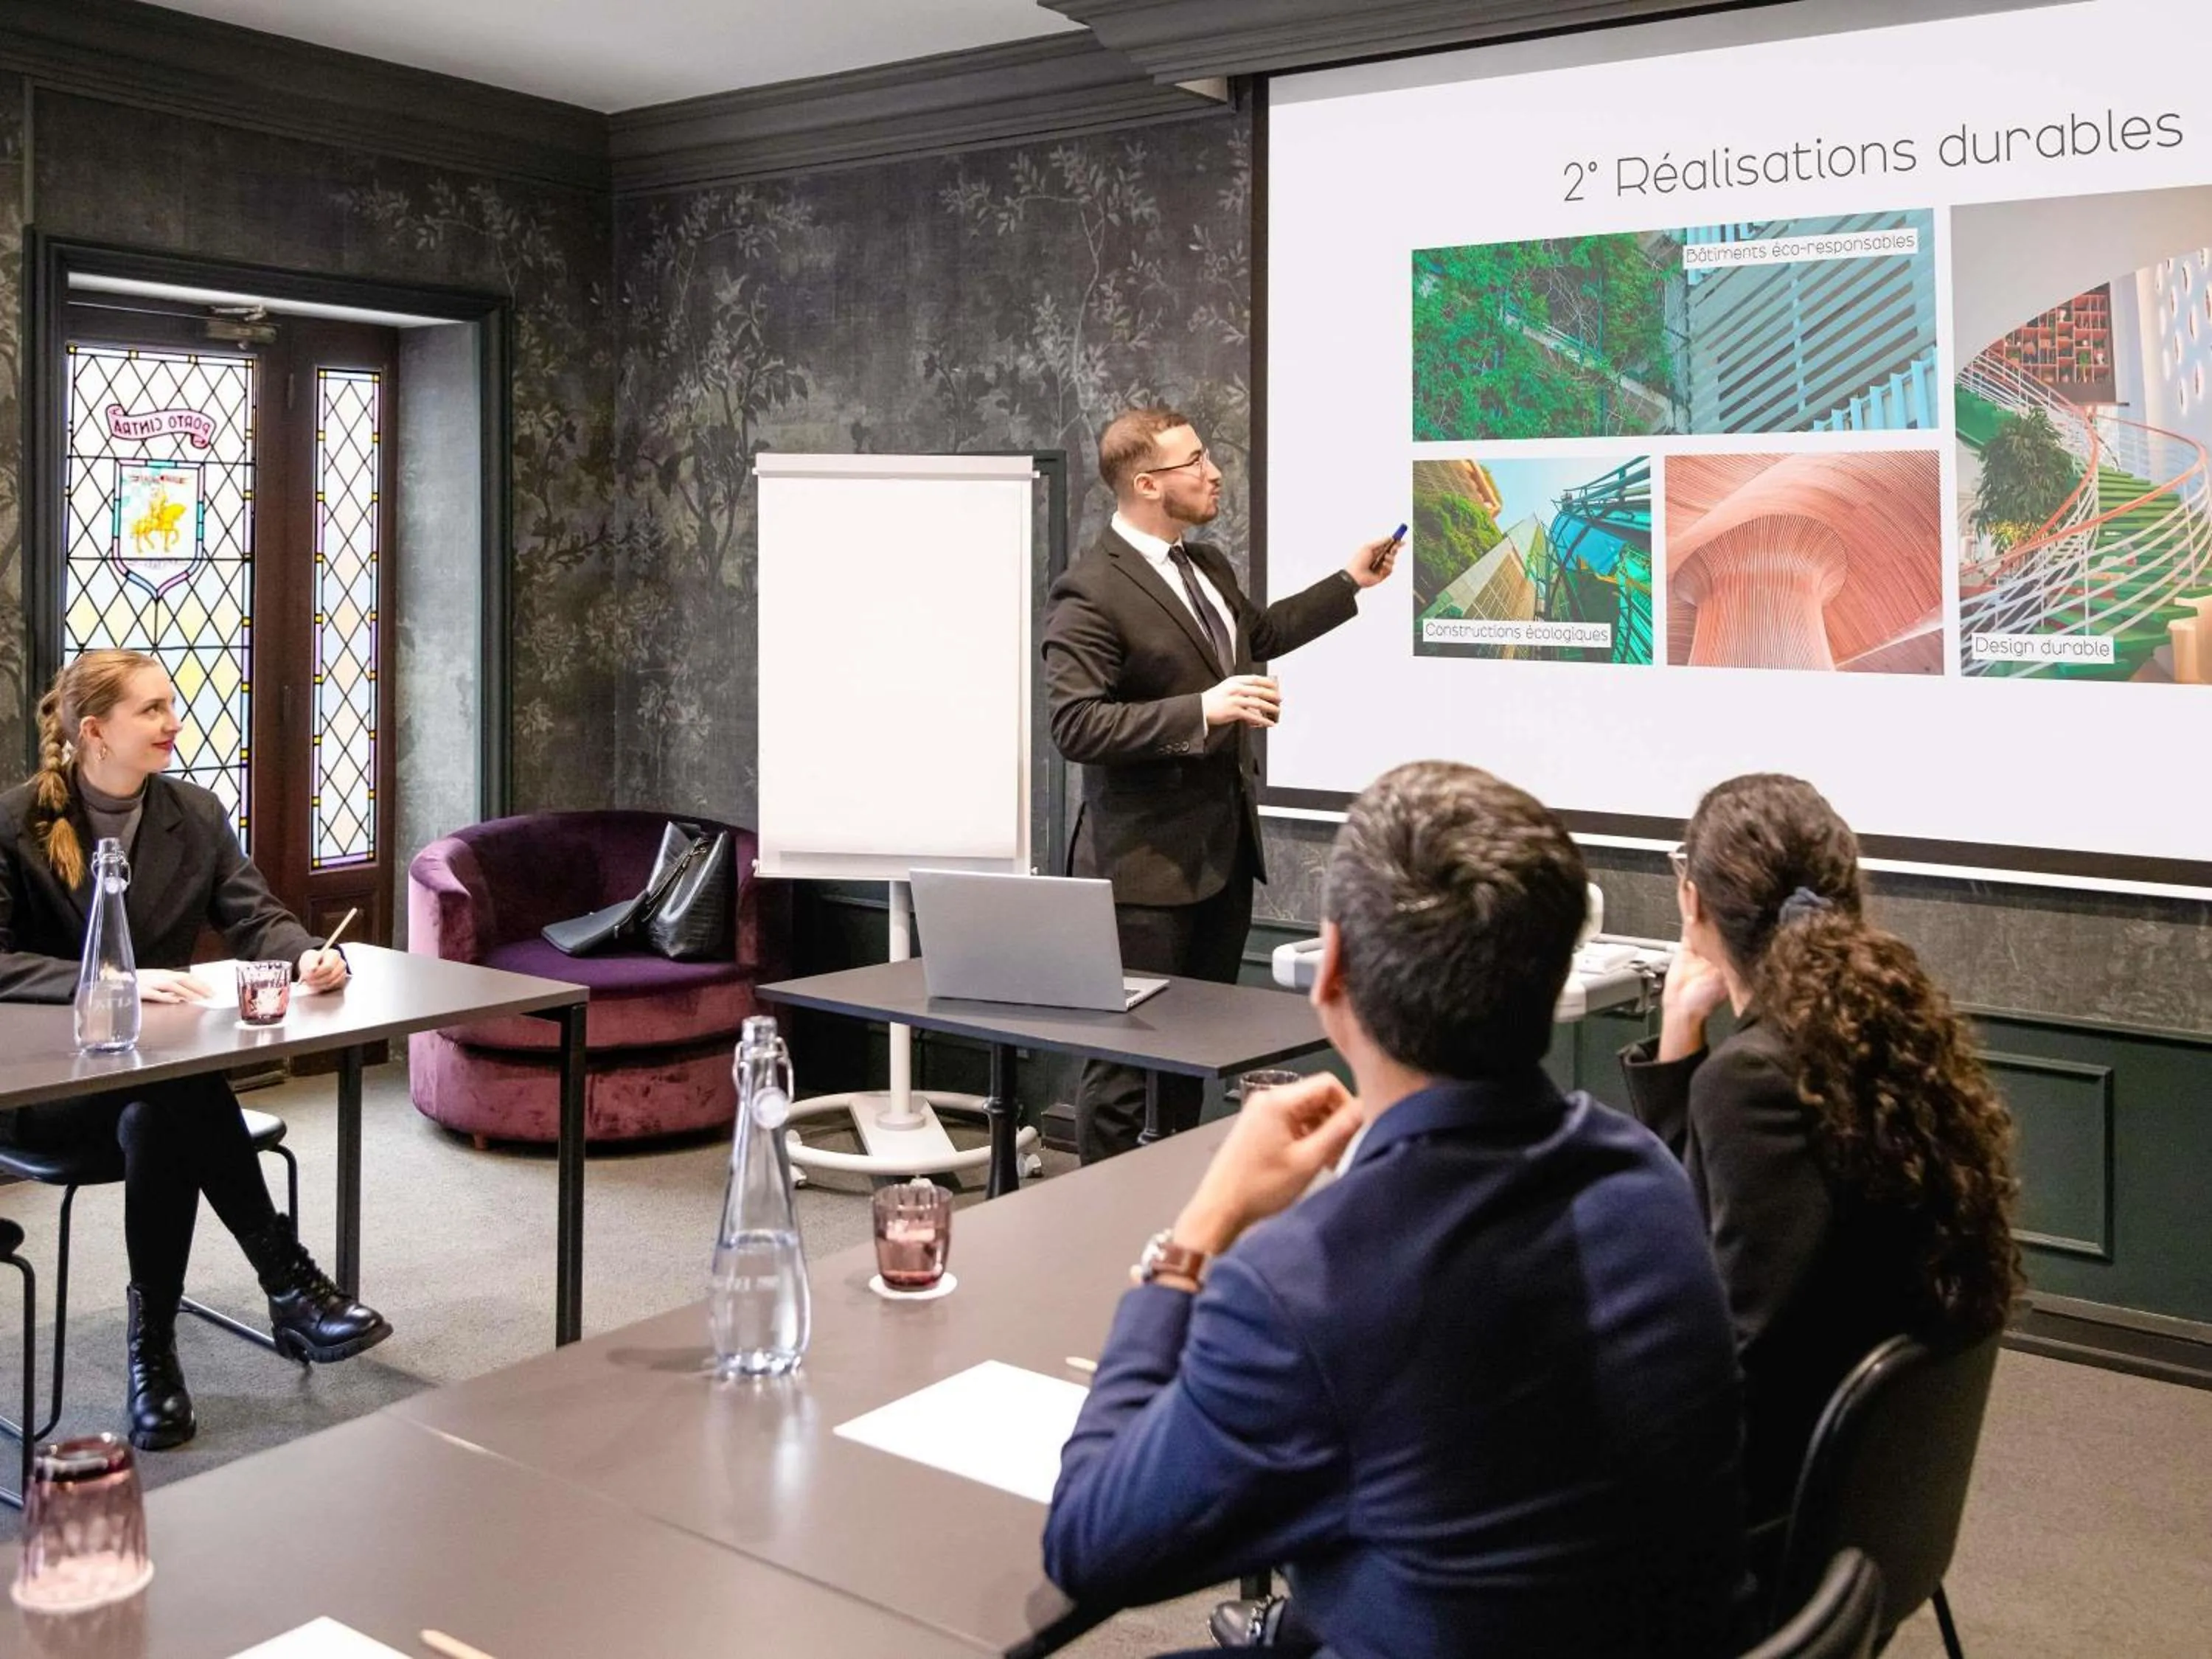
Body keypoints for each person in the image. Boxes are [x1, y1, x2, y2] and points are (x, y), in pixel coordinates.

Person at [1043, 761, 1745, 1659]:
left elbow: (1091, 1547)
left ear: (1329, 969)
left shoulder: (1305, 1283)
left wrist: (1195, 1236)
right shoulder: (1646, 1181)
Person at [0, 649, 392, 1450]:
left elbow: (257, 917)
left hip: (148, 1088)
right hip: (42, 1096)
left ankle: (156, 1360)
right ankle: (287, 1284)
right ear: (95, 731)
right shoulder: (14, 824)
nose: (173, 722)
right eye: (152, 709)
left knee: (163, 1108)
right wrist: (113, 982)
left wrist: (307, 954)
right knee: (180, 1092)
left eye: (170, 705)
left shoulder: (196, 814)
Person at [1621, 773, 2021, 1526]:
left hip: (1768, 1509)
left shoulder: (1755, 1076)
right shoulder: (1878, 1034)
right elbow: (1701, 1230)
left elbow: (1736, 1343)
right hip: (1881, 1492)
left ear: (1692, 900)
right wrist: (1679, 1040)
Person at [1043, 406, 1398, 1164]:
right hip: (1139, 874)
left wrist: (1349, 583)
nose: (1214, 473)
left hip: (1221, 860)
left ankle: (1173, 1214)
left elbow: (1254, 639)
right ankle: (1102, 1236)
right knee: (1120, 1076)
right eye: (1194, 462)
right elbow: (1076, 727)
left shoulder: (1207, 566)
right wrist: (1202, 710)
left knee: (1191, 1060)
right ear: (1146, 484)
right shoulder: (1091, 591)